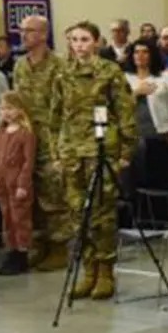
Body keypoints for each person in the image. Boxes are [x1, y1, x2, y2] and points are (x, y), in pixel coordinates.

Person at [56, 22, 137, 301]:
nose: (79, 45)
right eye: (74, 39)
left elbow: (125, 111)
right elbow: (56, 115)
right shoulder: (63, 72)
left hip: (101, 149)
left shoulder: (109, 72)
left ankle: (105, 271)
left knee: (102, 212)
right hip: (72, 150)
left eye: (85, 39)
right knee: (78, 213)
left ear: (96, 42)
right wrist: (58, 150)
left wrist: (126, 149)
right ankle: (88, 270)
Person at [12, 15, 68, 272]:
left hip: (51, 139)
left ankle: (59, 248)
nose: (24, 35)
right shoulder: (20, 66)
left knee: (53, 195)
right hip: (27, 139)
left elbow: (67, 105)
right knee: (31, 196)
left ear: (44, 34)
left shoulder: (59, 66)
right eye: (22, 31)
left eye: (30, 31)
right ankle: (40, 245)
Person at [123, 39, 168, 197]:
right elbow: (118, 105)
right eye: (136, 52)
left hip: (158, 134)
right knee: (133, 180)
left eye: (145, 52)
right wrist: (137, 93)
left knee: (157, 179)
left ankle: (159, 218)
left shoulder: (165, 77)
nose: (140, 56)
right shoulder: (125, 78)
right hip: (133, 135)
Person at [0, 93, 37, 276]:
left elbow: (27, 162)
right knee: (6, 219)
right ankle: (11, 251)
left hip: (17, 183)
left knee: (20, 219)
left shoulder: (26, 134)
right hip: (2, 183)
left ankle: (22, 253)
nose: (6, 113)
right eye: (3, 109)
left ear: (20, 110)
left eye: (10, 108)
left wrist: (23, 185)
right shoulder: (0, 133)